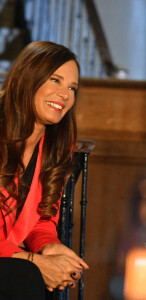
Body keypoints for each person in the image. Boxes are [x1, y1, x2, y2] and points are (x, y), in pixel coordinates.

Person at [0, 41, 89, 298]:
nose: (65, 94)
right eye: (55, 80)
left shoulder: (56, 145)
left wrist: (49, 247)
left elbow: (43, 218)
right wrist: (34, 261)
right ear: (28, 78)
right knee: (27, 275)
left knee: (49, 275)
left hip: (9, 258)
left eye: (72, 88)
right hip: (11, 262)